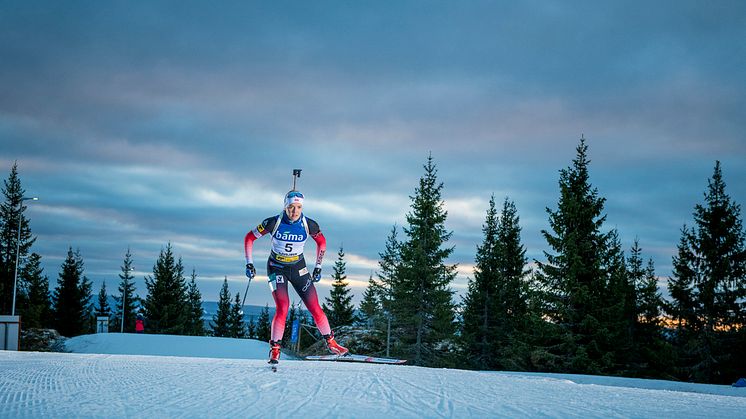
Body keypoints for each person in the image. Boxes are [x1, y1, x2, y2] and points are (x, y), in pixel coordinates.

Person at [244, 190, 348, 365]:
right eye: (291, 207)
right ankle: (275, 349)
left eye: (298, 207)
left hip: (299, 268)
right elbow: (249, 238)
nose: (295, 211)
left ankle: (331, 343)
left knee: (314, 306)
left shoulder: (309, 224)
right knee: (282, 307)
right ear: (285, 207)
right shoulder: (272, 223)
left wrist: (318, 266)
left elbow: (322, 242)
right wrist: (249, 263)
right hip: (276, 268)